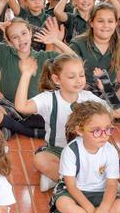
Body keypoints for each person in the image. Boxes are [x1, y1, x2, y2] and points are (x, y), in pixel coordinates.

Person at [15, 55, 108, 191]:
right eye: (71, 77)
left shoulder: (88, 97)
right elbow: (21, 106)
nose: (78, 81)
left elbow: (116, 112)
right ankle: (81, 184)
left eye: (81, 75)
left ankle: (58, 180)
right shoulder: (48, 99)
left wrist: (107, 89)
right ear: (56, 79)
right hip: (57, 151)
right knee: (40, 159)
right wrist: (26, 75)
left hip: (85, 151)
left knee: (106, 156)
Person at [51, 101, 120, 213]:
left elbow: (111, 185)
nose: (104, 135)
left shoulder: (110, 150)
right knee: (63, 203)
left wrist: (103, 208)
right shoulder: (71, 151)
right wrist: (90, 209)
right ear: (80, 130)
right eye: (97, 130)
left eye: (108, 129)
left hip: (101, 192)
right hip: (75, 192)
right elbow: (71, 186)